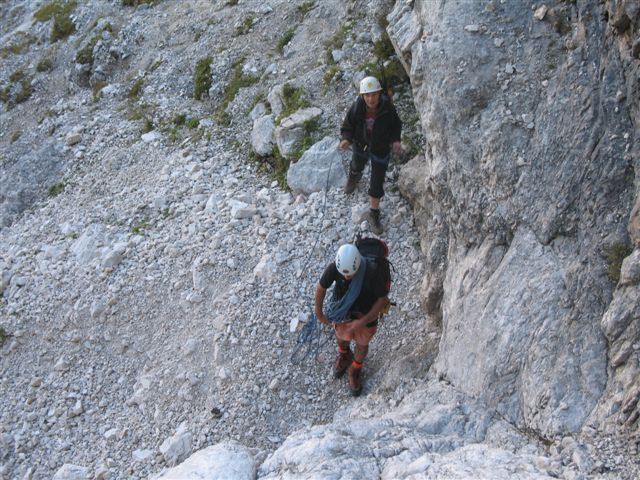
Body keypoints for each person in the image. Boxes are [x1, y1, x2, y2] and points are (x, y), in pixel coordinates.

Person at [314, 243, 390, 396]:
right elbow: (321, 287)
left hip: (366, 313)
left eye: (350, 274)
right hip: (344, 312)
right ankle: (344, 354)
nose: (346, 277)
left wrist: (361, 322)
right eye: (344, 275)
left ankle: (355, 368)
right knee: (342, 336)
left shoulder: (372, 272)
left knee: (362, 344)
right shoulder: (335, 267)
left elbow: (382, 300)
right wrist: (319, 314)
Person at [339, 76, 403, 235]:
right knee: (357, 164)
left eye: (373, 94)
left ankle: (374, 213)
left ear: (379, 94)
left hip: (381, 148)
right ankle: (354, 176)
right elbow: (348, 125)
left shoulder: (387, 108)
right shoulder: (357, 108)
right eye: (367, 95)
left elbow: (396, 125)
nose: (370, 98)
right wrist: (346, 139)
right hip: (361, 144)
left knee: (377, 180)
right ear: (362, 96)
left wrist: (395, 140)